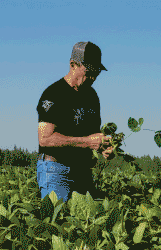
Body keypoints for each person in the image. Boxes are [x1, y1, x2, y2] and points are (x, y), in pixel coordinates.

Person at [36, 41, 113, 203]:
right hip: (56, 170)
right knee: (59, 222)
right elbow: (45, 139)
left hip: (82, 171)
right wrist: (87, 142)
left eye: (97, 72)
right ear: (73, 64)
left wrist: (103, 147)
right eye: (89, 71)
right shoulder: (54, 94)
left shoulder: (92, 97)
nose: (93, 77)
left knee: (85, 224)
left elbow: (93, 136)